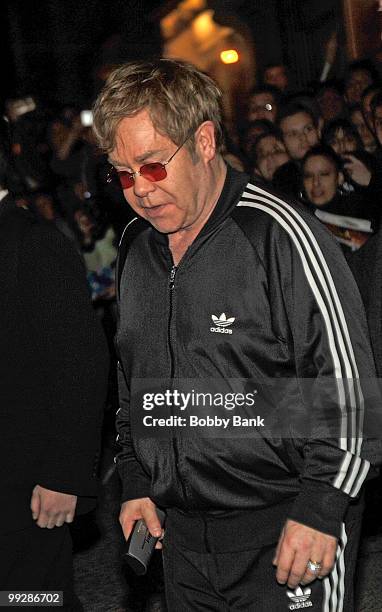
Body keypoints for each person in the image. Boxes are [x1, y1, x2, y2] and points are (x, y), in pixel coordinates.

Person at [93, 58, 381, 611]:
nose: (139, 191)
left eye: (153, 166)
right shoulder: (137, 248)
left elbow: (348, 390)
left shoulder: (279, 235)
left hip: (287, 525)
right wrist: (136, 480)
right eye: (123, 174)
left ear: (204, 141)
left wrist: (321, 509)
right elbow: (135, 387)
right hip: (183, 540)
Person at [0, 117, 109, 607]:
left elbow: (79, 361)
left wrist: (65, 473)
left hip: (26, 485)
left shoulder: (33, 243)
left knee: (31, 601)